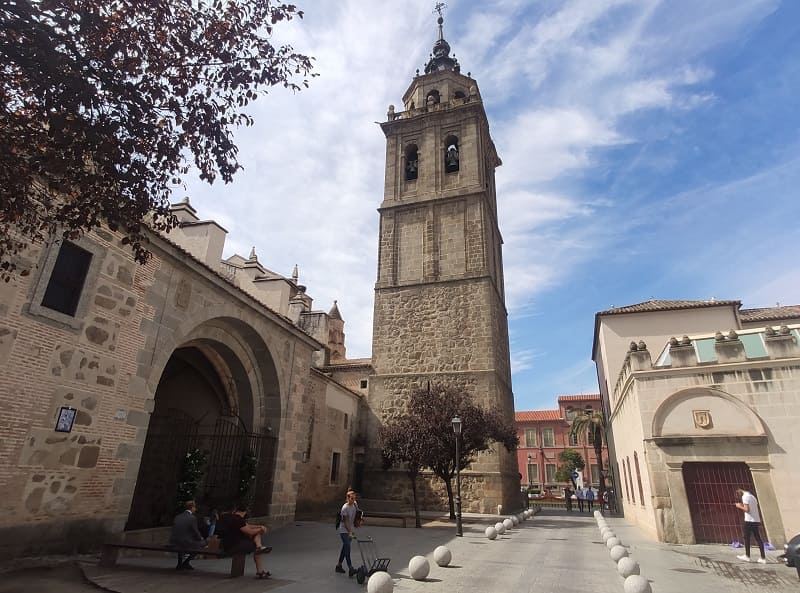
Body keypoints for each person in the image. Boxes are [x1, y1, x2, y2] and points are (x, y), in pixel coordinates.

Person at [218, 503, 272, 578]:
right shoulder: (237, 520)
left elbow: (247, 525)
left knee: (256, 540)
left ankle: (259, 547)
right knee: (256, 545)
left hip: (227, 544)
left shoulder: (232, 517)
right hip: (234, 546)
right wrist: (261, 530)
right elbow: (250, 531)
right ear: (245, 512)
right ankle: (260, 571)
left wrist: (260, 526)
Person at [169, 500, 207, 570]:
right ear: (192, 507)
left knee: (181, 543)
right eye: (195, 507)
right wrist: (201, 538)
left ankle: (180, 563)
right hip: (185, 542)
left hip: (174, 541)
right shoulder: (192, 518)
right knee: (202, 544)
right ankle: (186, 562)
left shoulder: (177, 516)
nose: (195, 509)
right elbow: (195, 532)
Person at [735, 487, 767, 564]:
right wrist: (743, 505)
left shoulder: (745, 496)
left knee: (746, 538)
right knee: (758, 538)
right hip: (756, 520)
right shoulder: (753, 497)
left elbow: (747, 510)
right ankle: (763, 558)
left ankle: (747, 556)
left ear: (740, 490)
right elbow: (751, 508)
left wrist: (739, 506)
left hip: (749, 520)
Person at [336, 490, 359, 577]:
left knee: (345, 547)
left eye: (354, 498)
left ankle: (338, 565)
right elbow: (345, 522)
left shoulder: (355, 504)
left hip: (350, 529)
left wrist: (359, 521)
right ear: (347, 498)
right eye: (352, 498)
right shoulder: (344, 508)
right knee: (347, 547)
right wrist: (350, 532)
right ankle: (350, 568)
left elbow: (357, 514)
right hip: (344, 530)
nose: (353, 500)